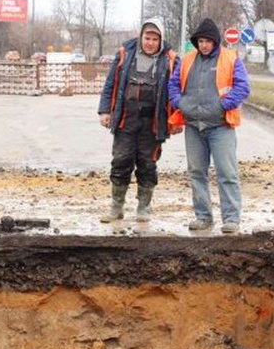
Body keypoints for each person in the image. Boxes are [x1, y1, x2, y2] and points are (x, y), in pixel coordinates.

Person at [168, 18, 250, 234]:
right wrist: (180, 103)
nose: (203, 45)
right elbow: (173, 85)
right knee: (196, 172)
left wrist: (223, 105)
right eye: (200, 41)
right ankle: (203, 217)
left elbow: (242, 87)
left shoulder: (230, 59)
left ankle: (231, 219)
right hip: (194, 126)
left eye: (207, 41)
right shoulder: (187, 60)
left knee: (227, 173)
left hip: (220, 126)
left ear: (215, 41)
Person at [98, 17, 179, 223]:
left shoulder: (170, 60)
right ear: (141, 36)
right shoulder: (126, 54)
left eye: (154, 39)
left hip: (152, 124)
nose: (150, 42)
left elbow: (176, 90)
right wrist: (105, 110)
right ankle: (116, 207)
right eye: (147, 37)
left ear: (161, 40)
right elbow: (110, 84)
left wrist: (177, 118)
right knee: (121, 161)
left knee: (147, 165)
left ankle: (143, 208)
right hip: (126, 119)